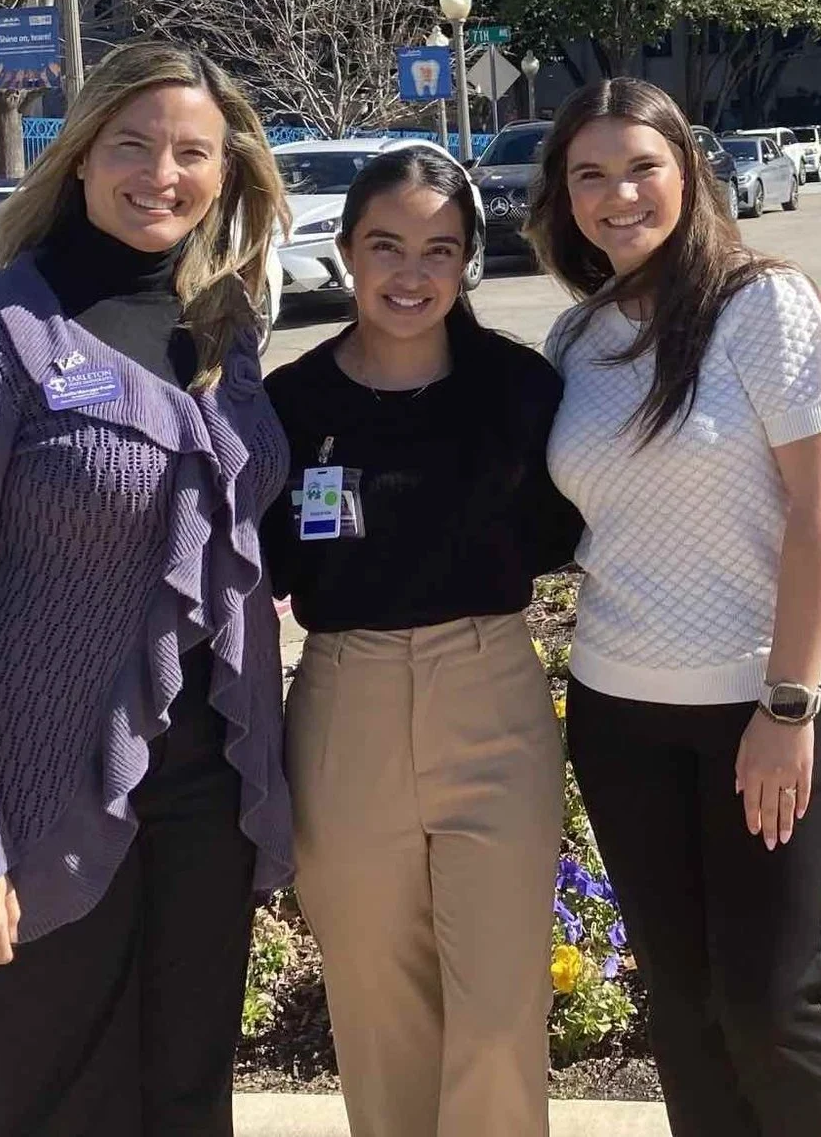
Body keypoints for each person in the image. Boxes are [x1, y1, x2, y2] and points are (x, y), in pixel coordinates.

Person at [0, 44, 293, 1137]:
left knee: (189, 1100)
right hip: (30, 793)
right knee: (61, 1110)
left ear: (227, 175)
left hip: (205, 793)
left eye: (193, 152)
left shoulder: (225, 333)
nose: (162, 173)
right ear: (83, 156)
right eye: (133, 145)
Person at [529, 79, 821, 1137]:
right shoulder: (577, 341)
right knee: (680, 1007)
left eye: (641, 168)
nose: (616, 194)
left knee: (768, 1006)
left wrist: (789, 703)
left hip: (762, 706)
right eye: (589, 174)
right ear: (562, 195)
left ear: (687, 174)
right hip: (620, 713)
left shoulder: (760, 304)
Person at [260, 146, 580, 1137]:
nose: (411, 273)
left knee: (496, 1013)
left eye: (439, 250)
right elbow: (260, 566)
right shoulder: (290, 405)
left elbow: (563, 531)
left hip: (489, 695)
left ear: (468, 261)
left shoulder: (520, 393)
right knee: (376, 1007)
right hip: (343, 707)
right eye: (387, 246)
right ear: (347, 252)